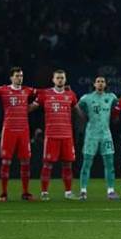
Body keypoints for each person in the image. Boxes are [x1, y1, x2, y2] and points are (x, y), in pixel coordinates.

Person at [37, 68, 84, 200]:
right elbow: (34, 108)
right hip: (51, 135)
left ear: (65, 79)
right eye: (57, 78)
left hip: (67, 136)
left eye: (62, 78)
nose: (60, 80)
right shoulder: (45, 94)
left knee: (68, 164)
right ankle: (44, 193)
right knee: (47, 164)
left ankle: (68, 192)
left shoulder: (70, 95)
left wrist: (85, 122)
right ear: (53, 80)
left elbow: (78, 113)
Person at [0, 67, 35, 201]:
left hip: (23, 130)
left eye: (21, 76)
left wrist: (34, 105)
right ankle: (3, 193)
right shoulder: (3, 90)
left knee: (25, 162)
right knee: (6, 162)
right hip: (9, 130)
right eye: (17, 76)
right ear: (11, 77)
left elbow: (43, 94)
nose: (19, 78)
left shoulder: (27, 90)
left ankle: (25, 192)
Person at [77, 75, 118, 200]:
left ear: (105, 84)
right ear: (94, 84)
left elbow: (116, 111)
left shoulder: (111, 98)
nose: (100, 83)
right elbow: (77, 108)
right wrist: (83, 120)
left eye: (102, 82)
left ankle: (110, 191)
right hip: (91, 135)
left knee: (109, 163)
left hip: (106, 134)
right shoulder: (86, 98)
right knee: (87, 163)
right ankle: (83, 191)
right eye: (98, 82)